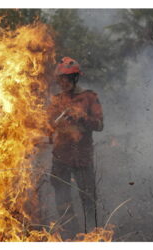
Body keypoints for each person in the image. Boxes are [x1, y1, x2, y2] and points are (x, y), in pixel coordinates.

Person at [47, 57, 103, 238]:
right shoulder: (56, 100)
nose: (63, 84)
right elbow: (48, 126)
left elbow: (100, 125)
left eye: (67, 80)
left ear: (75, 79)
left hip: (82, 158)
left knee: (88, 199)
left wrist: (81, 117)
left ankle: (93, 235)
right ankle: (72, 235)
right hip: (60, 158)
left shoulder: (89, 97)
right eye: (61, 80)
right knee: (62, 200)